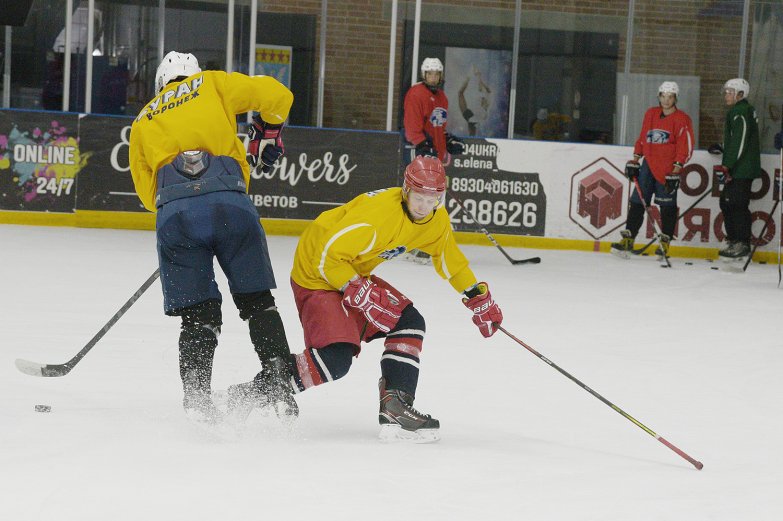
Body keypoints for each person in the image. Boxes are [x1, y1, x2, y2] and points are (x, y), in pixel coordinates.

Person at [283, 156, 503, 443]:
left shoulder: (435, 220)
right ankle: (263, 389)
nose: (425, 207)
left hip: (351, 269)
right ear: (406, 190)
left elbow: (449, 259)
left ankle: (396, 406)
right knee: (335, 360)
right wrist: (356, 288)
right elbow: (324, 256)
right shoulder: (376, 218)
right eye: (419, 198)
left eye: (433, 199)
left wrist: (475, 295)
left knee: (409, 322)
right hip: (316, 273)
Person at [129, 51, 297, 424]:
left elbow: (146, 195)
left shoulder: (143, 118)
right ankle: (279, 386)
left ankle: (197, 401)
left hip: (176, 214)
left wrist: (184, 208)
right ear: (194, 74)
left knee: (198, 317)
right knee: (258, 303)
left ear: (160, 84)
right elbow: (279, 96)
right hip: (231, 206)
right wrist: (268, 132)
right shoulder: (213, 83)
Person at [610, 81, 694, 260]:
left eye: (670, 96)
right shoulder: (651, 114)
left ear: (675, 98)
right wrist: (635, 159)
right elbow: (643, 137)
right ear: (659, 96)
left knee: (667, 206)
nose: (666, 100)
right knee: (637, 202)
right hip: (648, 165)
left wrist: (677, 169)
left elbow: (684, 146)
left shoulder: (682, 119)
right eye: (663, 96)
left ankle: (665, 242)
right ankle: (628, 239)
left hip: (668, 169)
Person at [402, 57, 466, 264]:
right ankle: (414, 244)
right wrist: (422, 144)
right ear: (423, 74)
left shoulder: (442, 97)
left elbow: (437, 127)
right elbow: (412, 126)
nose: (432, 77)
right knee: (420, 201)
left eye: (436, 74)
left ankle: (426, 244)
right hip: (419, 155)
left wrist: (446, 140)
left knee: (434, 202)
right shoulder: (416, 93)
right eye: (429, 73)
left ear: (440, 76)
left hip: (434, 157)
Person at [713, 78, 761, 260]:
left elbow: (740, 142)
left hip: (742, 168)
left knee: (737, 204)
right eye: (726, 92)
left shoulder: (741, 111)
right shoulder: (739, 111)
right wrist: (723, 148)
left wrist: (727, 164)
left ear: (740, 94)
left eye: (729, 92)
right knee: (726, 202)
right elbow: (737, 139)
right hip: (738, 167)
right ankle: (734, 239)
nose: (726, 95)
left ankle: (742, 243)